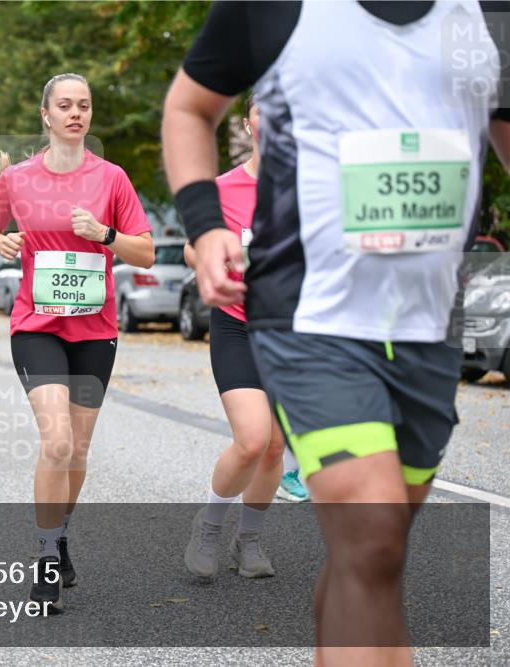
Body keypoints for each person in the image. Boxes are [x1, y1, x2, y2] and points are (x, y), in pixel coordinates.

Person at [164, 1, 508, 662]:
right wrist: (206, 227)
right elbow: (189, 107)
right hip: (308, 314)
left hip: (429, 323)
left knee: (373, 554)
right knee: (373, 536)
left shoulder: (491, 14)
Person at [0, 73, 154, 613]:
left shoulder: (112, 178)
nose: (76, 113)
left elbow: (145, 253)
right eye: (65, 105)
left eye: (84, 105)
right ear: (46, 116)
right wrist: (0, 239)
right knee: (56, 443)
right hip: (36, 324)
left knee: (77, 450)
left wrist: (103, 234)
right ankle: (47, 555)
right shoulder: (20, 178)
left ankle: (61, 533)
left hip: (94, 330)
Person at [182, 96, 285, 580]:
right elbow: (190, 248)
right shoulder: (222, 189)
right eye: (264, 109)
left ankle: (250, 541)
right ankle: (209, 524)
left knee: (274, 447)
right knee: (251, 438)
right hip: (237, 324)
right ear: (249, 121)